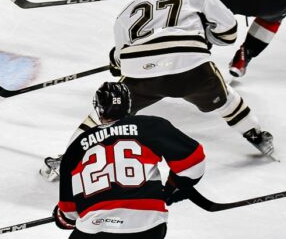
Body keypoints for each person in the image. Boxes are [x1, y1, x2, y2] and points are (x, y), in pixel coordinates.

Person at [40, 0, 274, 181]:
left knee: (105, 111)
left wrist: (115, 62)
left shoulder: (127, 11)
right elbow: (229, 31)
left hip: (143, 72)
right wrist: (206, 35)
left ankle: (67, 160)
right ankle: (256, 135)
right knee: (226, 99)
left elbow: (121, 60)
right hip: (190, 65)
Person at [53, 82, 205, 238]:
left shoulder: (76, 147)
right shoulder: (150, 126)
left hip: (95, 230)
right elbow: (193, 163)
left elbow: (69, 212)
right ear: (129, 104)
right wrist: (175, 186)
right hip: (146, 226)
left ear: (98, 109)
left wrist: (61, 218)